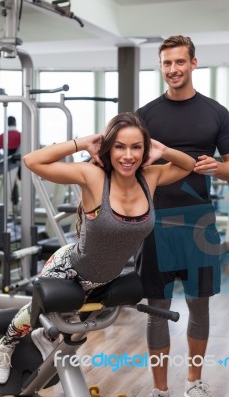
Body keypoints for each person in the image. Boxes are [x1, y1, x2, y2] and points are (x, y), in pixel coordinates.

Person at [0, 112, 196, 384]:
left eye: (136, 147)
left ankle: (45, 337)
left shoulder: (149, 178)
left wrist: (163, 150)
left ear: (145, 149)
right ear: (108, 148)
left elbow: (188, 165)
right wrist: (82, 143)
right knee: (36, 313)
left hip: (105, 279)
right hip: (70, 269)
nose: (128, 155)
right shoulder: (93, 177)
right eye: (120, 146)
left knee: (64, 328)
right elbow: (32, 160)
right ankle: (5, 346)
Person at [135, 35, 229, 397]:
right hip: (155, 220)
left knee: (200, 307)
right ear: (161, 66)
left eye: (179, 62)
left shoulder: (215, 112)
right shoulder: (146, 115)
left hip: (199, 220)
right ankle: (160, 390)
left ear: (193, 63)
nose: (173, 69)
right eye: (166, 63)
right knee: (157, 309)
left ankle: (194, 385)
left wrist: (216, 168)